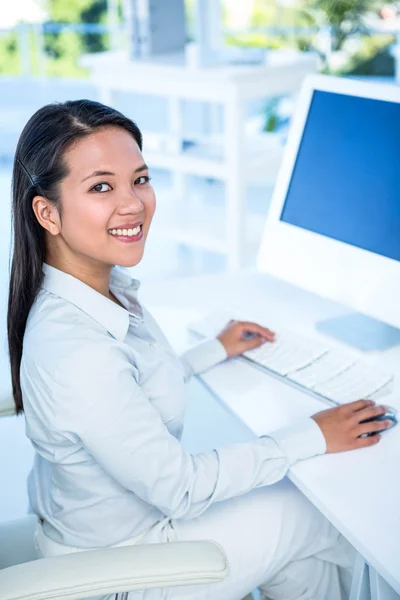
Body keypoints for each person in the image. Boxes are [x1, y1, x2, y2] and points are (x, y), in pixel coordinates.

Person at [7, 99, 392, 600]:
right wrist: (311, 434)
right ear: (47, 212)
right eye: (101, 187)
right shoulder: (75, 349)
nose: (133, 203)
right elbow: (181, 488)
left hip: (107, 530)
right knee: (322, 519)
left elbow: (127, 394)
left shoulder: (95, 290)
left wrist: (213, 351)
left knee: (294, 546)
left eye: (140, 179)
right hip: (122, 564)